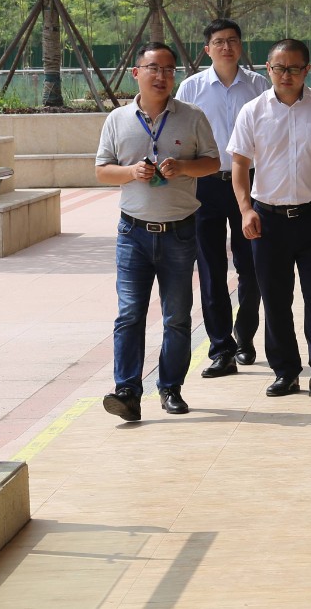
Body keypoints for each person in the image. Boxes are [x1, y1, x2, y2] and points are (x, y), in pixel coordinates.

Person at [95, 42, 220, 422]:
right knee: (129, 314)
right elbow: (102, 170)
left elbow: (212, 163)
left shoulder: (192, 116)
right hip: (132, 233)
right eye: (153, 68)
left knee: (176, 316)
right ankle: (127, 391)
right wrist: (131, 172)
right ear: (137, 73)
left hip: (179, 232)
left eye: (168, 69)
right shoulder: (117, 119)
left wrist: (182, 168)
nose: (161, 76)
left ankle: (170, 388)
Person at [227, 40, 311, 398]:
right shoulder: (253, 111)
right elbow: (240, 164)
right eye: (279, 68)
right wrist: (246, 210)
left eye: (294, 68)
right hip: (268, 221)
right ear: (268, 69)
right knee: (276, 300)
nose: (286, 75)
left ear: (307, 70)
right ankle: (285, 371)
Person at [174, 18, 268, 375]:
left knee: (252, 266)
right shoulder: (191, 88)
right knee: (210, 269)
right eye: (218, 41)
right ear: (207, 49)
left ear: (241, 46)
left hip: (251, 185)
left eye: (232, 40)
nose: (226, 47)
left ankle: (245, 334)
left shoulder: (259, 86)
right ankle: (221, 348)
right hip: (205, 185)